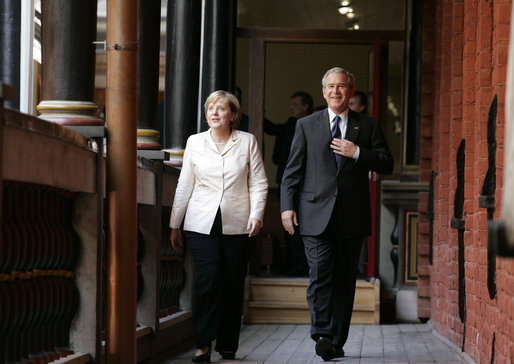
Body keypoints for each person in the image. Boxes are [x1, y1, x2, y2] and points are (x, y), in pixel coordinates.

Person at [280, 67, 393, 361]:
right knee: (319, 274)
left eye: (341, 86)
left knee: (344, 280)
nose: (336, 91)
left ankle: (337, 340)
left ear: (350, 91)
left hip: (351, 217)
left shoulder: (366, 127)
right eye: (330, 86)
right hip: (314, 214)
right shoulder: (306, 125)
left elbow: (386, 162)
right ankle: (322, 333)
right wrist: (287, 207)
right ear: (323, 91)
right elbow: (293, 171)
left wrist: (357, 152)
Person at [169, 90, 268, 363]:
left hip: (239, 223)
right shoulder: (195, 142)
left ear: (232, 115)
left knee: (232, 283)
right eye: (210, 108)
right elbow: (184, 184)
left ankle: (227, 344)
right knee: (207, 279)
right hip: (201, 223)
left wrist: (257, 215)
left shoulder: (247, 141)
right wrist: (174, 224)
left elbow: (258, 182)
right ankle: (202, 344)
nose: (214, 112)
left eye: (221, 108)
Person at [265, 91, 313, 277]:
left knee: (299, 225)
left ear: (305, 106)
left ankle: (301, 266)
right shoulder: (290, 124)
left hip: (304, 185)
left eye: (295, 104)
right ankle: (293, 264)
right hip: (287, 183)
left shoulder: (311, 126)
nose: (291, 107)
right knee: (288, 225)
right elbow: (274, 135)